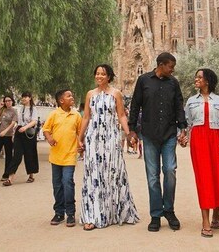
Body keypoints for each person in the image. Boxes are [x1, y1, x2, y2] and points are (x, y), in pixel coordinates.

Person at [127, 52, 187, 232]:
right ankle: (155, 214)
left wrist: (183, 127)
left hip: (169, 134)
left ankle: (169, 210)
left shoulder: (173, 83)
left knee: (170, 171)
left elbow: (179, 106)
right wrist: (131, 130)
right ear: (161, 65)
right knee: (152, 177)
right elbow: (135, 105)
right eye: (171, 66)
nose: (173, 69)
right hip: (150, 135)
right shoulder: (143, 81)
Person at [78, 64, 139, 231]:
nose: (99, 76)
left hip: (111, 137)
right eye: (97, 73)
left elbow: (121, 115)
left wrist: (128, 134)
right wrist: (80, 137)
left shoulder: (116, 94)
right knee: (93, 174)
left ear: (109, 76)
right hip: (93, 137)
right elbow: (86, 118)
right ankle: (92, 215)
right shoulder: (90, 94)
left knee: (112, 172)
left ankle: (113, 212)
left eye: (103, 74)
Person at [183, 68, 219, 238]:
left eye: (199, 77)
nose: (196, 79)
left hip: (217, 140)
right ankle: (205, 221)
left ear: (207, 80)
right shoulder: (191, 101)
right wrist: (183, 136)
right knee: (204, 179)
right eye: (196, 77)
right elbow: (187, 123)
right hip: (199, 142)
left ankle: (216, 214)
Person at [43, 89, 81, 228]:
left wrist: (81, 146)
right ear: (61, 100)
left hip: (70, 156)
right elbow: (46, 129)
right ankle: (59, 212)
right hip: (55, 156)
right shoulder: (54, 114)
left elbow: (80, 133)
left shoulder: (76, 115)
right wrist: (49, 138)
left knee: (68, 182)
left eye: (72, 95)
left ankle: (70, 213)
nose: (72, 97)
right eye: (68, 96)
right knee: (57, 185)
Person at [8, 91, 40, 184]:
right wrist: (15, 133)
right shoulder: (20, 108)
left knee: (30, 154)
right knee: (17, 155)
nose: (24, 99)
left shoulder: (33, 109)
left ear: (30, 98)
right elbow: (17, 121)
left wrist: (25, 127)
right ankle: (10, 178)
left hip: (29, 133)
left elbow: (34, 121)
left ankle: (31, 175)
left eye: (26, 97)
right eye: (23, 97)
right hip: (19, 131)